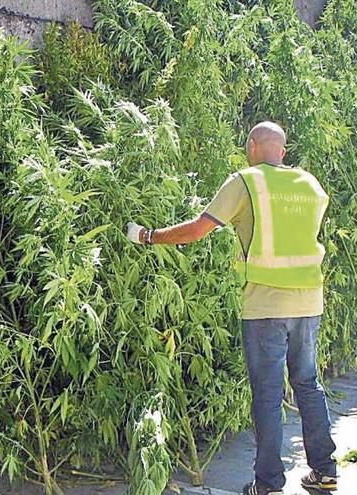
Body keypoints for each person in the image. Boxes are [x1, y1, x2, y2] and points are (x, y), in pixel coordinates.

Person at [126, 122, 338, 495]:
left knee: (269, 393)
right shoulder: (310, 184)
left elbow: (196, 230)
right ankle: (325, 470)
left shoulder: (246, 182)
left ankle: (269, 483)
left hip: (265, 304)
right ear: (283, 151)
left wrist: (148, 236)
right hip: (308, 301)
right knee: (308, 383)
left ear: (253, 146)